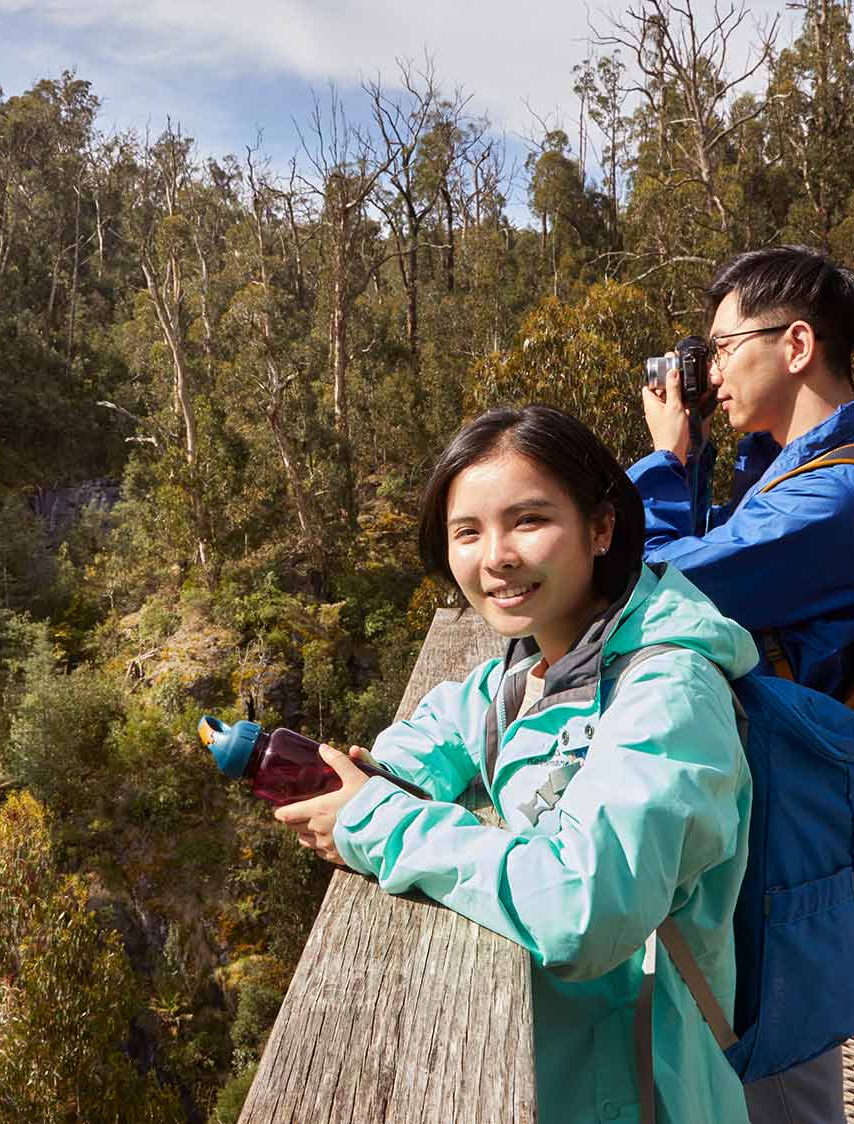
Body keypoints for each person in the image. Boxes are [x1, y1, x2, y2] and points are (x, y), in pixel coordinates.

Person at [272, 404, 760, 1124]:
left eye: (528, 521)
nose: (495, 555)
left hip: (643, 1090)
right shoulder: (530, 664)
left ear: (601, 528)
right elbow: (427, 738)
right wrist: (373, 784)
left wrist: (380, 822)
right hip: (558, 1076)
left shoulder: (669, 695)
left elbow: (583, 907)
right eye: (467, 531)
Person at [629, 245, 854, 1119]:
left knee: (782, 1073)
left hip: (790, 824)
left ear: (794, 345)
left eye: (719, 348)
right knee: (754, 1059)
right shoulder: (793, 471)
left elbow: (657, 587)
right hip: (776, 804)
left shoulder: (836, 500)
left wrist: (666, 463)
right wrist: (702, 457)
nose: (706, 372)